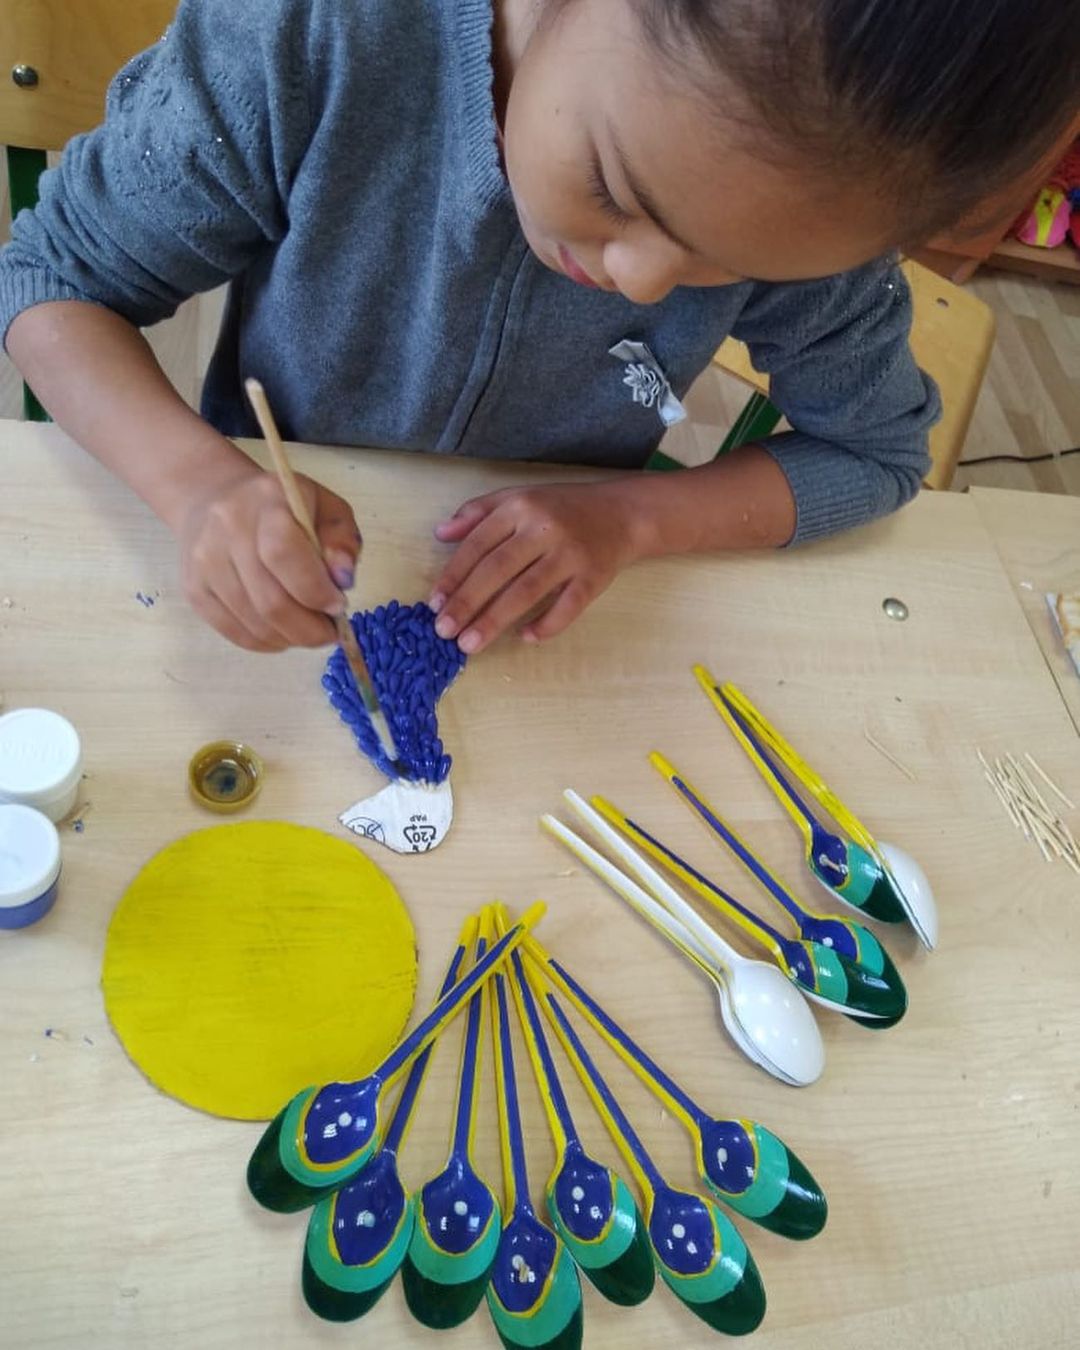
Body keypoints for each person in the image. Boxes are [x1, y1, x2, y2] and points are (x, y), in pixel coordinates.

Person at [2, 0, 1076, 655]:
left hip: (541, 633)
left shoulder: (826, 187)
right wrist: (197, 486)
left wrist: (632, 521)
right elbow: (49, 283)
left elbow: (876, 454)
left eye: (734, 263)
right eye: (616, 185)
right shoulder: (314, 32)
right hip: (262, 555)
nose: (644, 282)